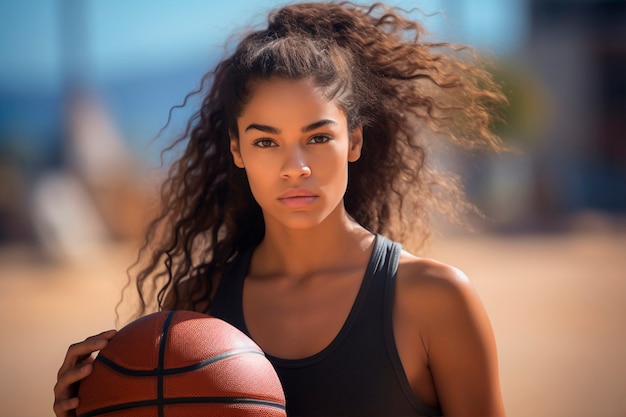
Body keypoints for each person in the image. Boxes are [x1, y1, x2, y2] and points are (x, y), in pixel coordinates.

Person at [53, 2, 508, 416]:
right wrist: (94, 406)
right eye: (266, 141)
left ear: (355, 140)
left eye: (318, 137)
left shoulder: (435, 300)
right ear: (237, 149)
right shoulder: (198, 305)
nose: (296, 168)